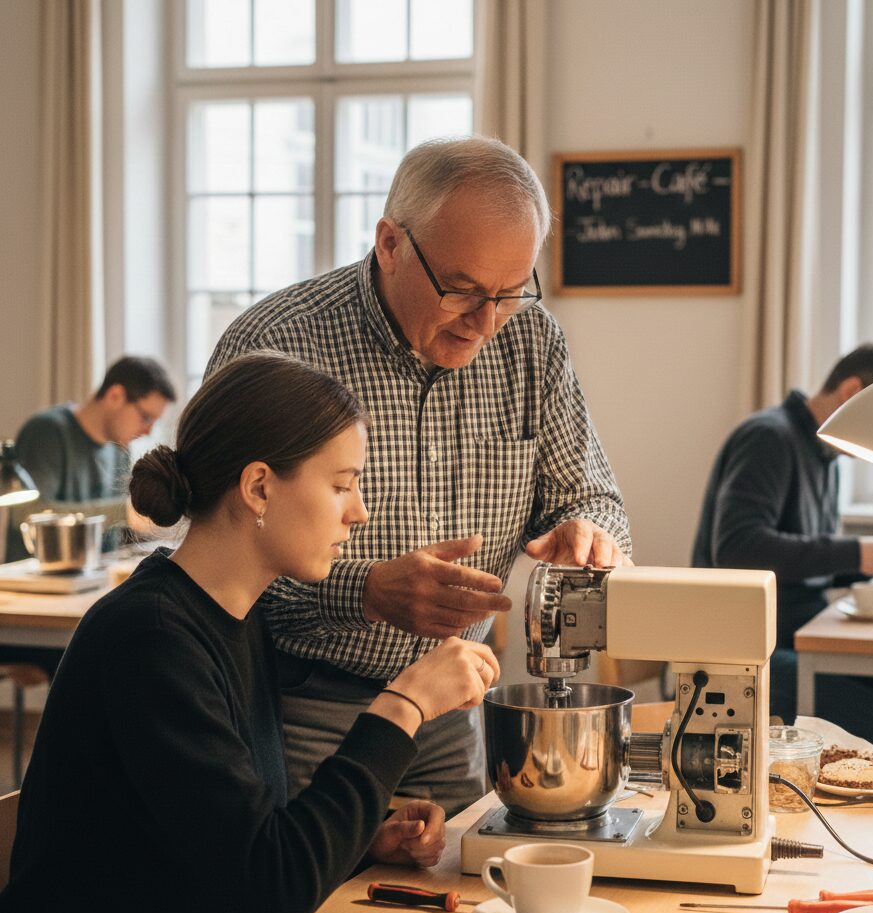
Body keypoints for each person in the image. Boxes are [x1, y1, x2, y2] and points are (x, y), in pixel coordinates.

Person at [0, 354, 499, 913]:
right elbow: (277, 886)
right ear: (259, 487)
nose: (360, 512)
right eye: (343, 485)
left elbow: (243, 837)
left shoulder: (234, 614)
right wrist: (404, 704)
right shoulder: (151, 638)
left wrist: (362, 834)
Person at [207, 136, 631, 814]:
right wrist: (365, 593)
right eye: (462, 290)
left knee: (445, 902)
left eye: (510, 292)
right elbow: (220, 565)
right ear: (389, 244)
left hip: (454, 710)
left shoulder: (532, 341)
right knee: (302, 905)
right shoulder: (278, 346)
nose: (486, 322)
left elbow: (591, 497)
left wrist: (589, 535)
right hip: (308, 708)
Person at [692, 344, 873, 762]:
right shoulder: (769, 438)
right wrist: (857, 553)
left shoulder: (824, 455)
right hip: (746, 651)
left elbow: (805, 561)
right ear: (851, 392)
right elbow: (738, 549)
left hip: (796, 637)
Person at [5, 355, 177, 563]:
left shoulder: (119, 449)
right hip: (37, 583)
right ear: (115, 395)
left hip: (92, 581)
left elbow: (111, 536)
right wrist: (123, 512)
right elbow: (26, 514)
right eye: (146, 418)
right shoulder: (48, 432)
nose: (148, 431)